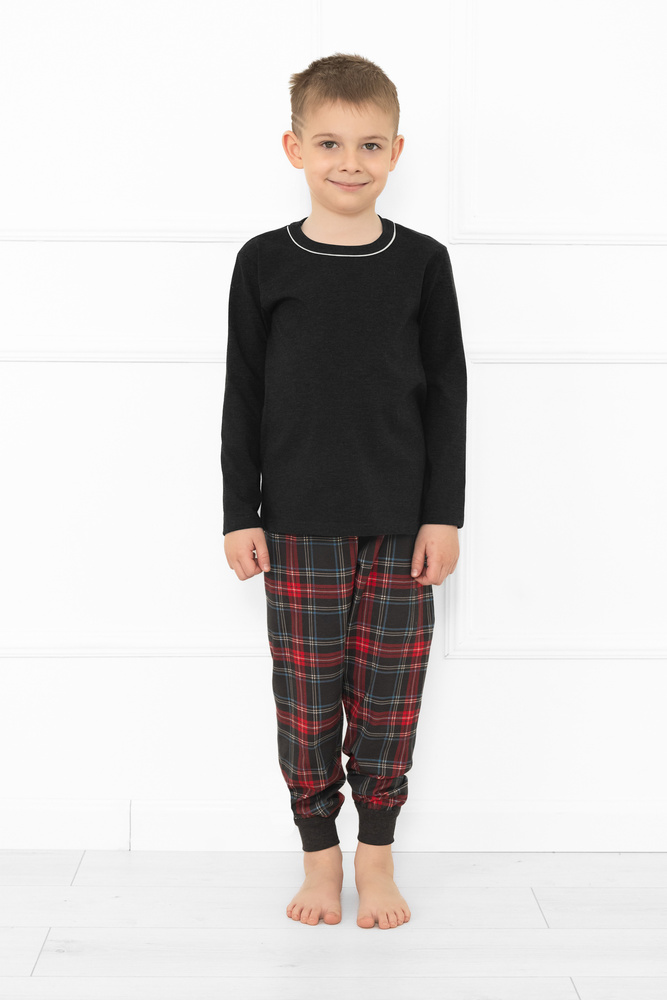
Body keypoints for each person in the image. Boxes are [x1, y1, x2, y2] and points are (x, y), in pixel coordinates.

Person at [221, 53, 467, 930]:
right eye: (329, 143)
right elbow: (243, 394)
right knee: (307, 700)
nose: (349, 162)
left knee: (390, 698)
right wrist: (238, 514)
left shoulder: (422, 263)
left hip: (401, 527)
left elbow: (447, 393)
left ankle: (376, 856)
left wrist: (442, 516)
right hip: (295, 525)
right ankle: (319, 855)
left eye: (368, 144)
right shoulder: (262, 263)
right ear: (294, 148)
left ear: (396, 150)